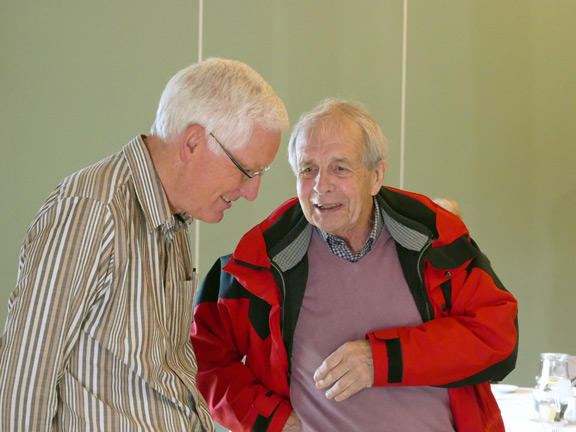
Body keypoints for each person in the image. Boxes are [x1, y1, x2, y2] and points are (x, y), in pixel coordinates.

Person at [190, 99, 518, 431]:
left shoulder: (436, 240)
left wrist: (382, 359)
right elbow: (204, 360)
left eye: (340, 167)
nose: (321, 185)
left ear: (376, 176)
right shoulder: (258, 262)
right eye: (308, 169)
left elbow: (499, 337)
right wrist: (273, 421)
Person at [0, 58, 289, 431]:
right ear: (193, 143)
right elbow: (23, 381)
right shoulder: (91, 212)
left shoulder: (174, 214)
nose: (252, 192)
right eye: (246, 171)